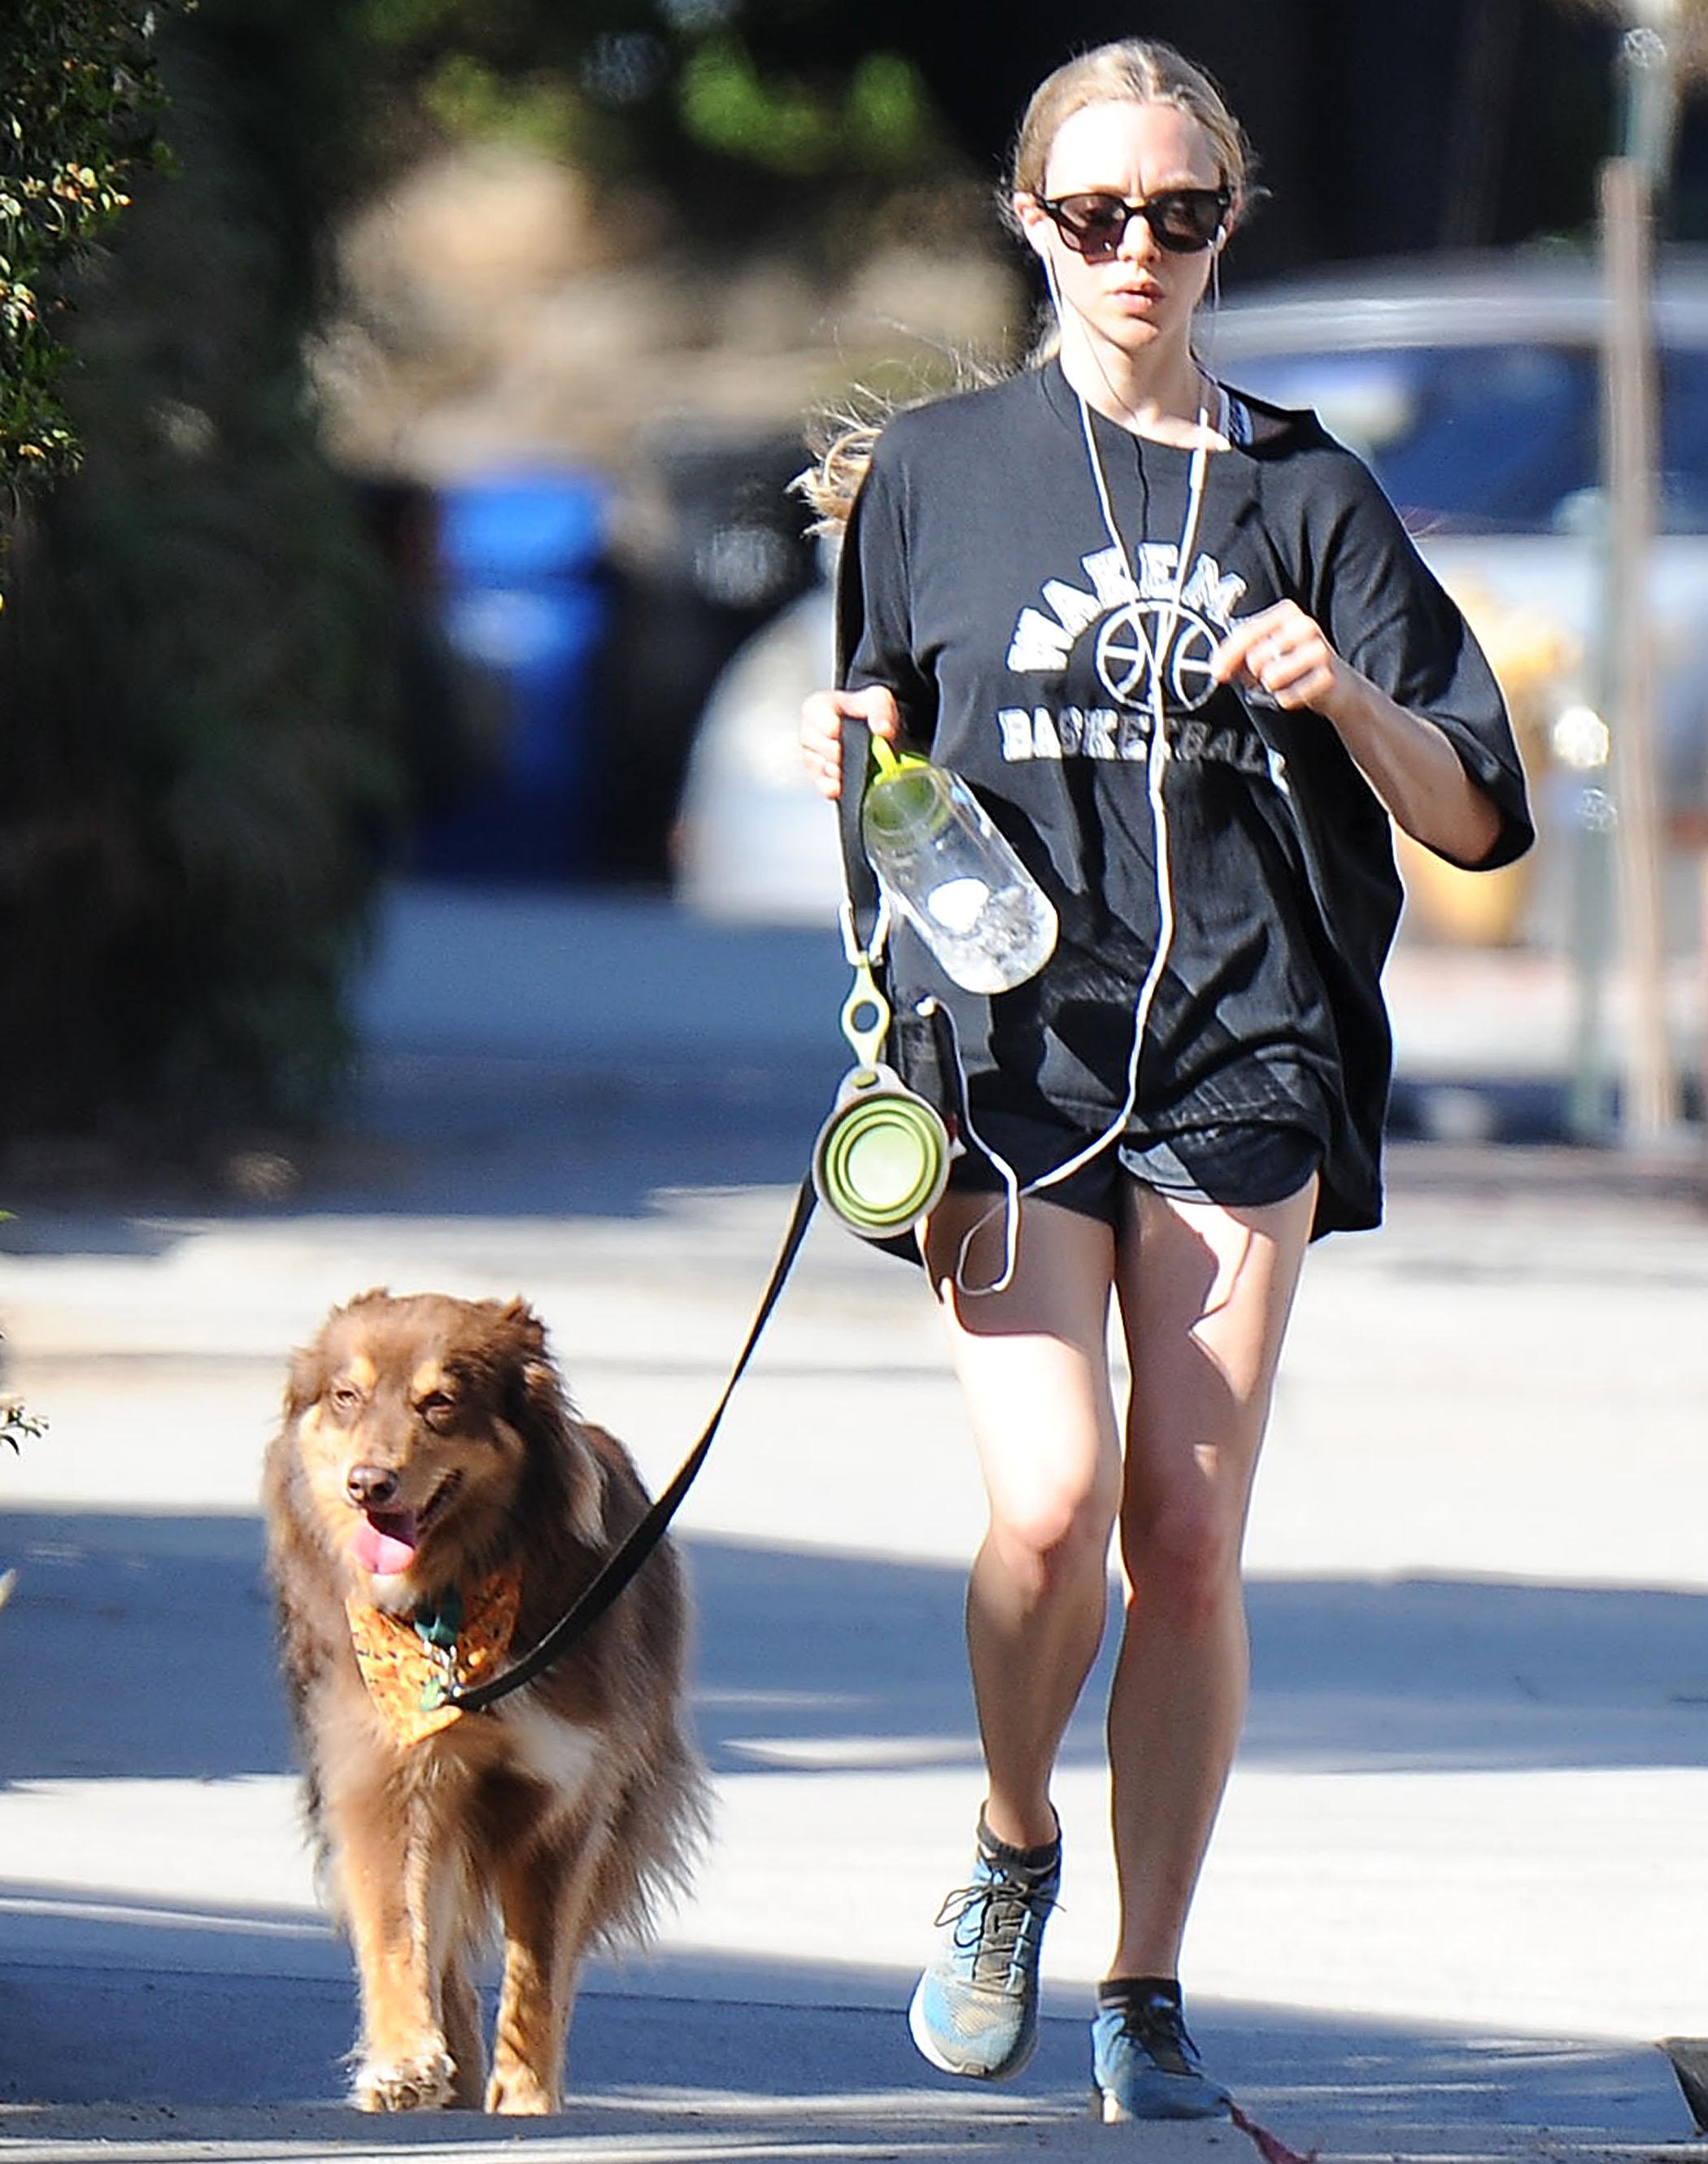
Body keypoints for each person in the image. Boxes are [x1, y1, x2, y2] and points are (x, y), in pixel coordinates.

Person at [798, 37, 1532, 2126]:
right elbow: (883, 783)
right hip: (1007, 1057)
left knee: (1185, 1534)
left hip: (1244, 1047)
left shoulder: (1306, 492)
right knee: (1046, 1509)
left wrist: (1345, 692)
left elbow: (1476, 817)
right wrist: (853, 761)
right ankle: (1013, 1841)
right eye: (1101, 214)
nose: (1142, 252)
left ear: (1229, 226)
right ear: (1033, 220)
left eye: (1182, 215)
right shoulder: (937, 471)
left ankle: (1145, 1977)